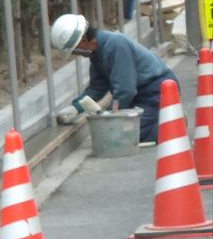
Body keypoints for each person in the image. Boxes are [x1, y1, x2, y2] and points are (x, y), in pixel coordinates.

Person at [51, 12, 176, 144]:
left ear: (83, 41)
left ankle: (172, 124)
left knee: (124, 135)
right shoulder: (97, 52)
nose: (78, 55)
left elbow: (126, 90)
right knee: (116, 133)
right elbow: (97, 86)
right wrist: (76, 107)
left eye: (75, 50)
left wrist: (110, 116)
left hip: (157, 92)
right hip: (141, 96)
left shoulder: (115, 45)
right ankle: (166, 120)